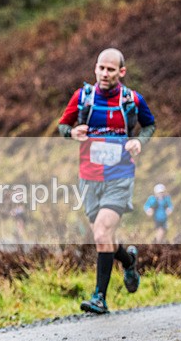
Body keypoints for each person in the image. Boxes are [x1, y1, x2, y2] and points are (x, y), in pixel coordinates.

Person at [58, 48, 156, 314]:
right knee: (104, 237)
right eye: (101, 68)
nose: (104, 73)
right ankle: (128, 260)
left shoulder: (132, 100)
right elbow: (63, 126)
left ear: (121, 72)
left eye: (110, 69)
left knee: (102, 233)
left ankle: (99, 297)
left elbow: (149, 125)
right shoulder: (82, 97)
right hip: (89, 178)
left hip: (119, 176)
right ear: (95, 68)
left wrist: (139, 141)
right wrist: (72, 133)